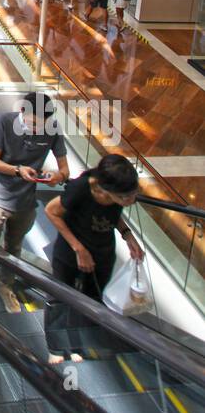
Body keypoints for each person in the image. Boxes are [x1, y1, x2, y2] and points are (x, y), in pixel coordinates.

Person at [45, 154, 143, 363]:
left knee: (91, 300)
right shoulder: (81, 188)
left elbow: (114, 215)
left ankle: (77, 344)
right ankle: (55, 347)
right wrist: (79, 249)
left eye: (133, 194)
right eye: (125, 197)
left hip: (102, 252)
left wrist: (128, 236)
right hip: (71, 253)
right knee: (60, 297)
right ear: (105, 190)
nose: (130, 200)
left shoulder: (117, 195)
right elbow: (51, 211)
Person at [0, 92, 69, 314]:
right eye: (33, 123)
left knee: (14, 247)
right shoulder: (5, 122)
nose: (38, 129)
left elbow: (65, 170)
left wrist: (58, 176)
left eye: (42, 124)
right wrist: (18, 170)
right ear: (22, 113)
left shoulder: (52, 129)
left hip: (25, 202)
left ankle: (5, 286)